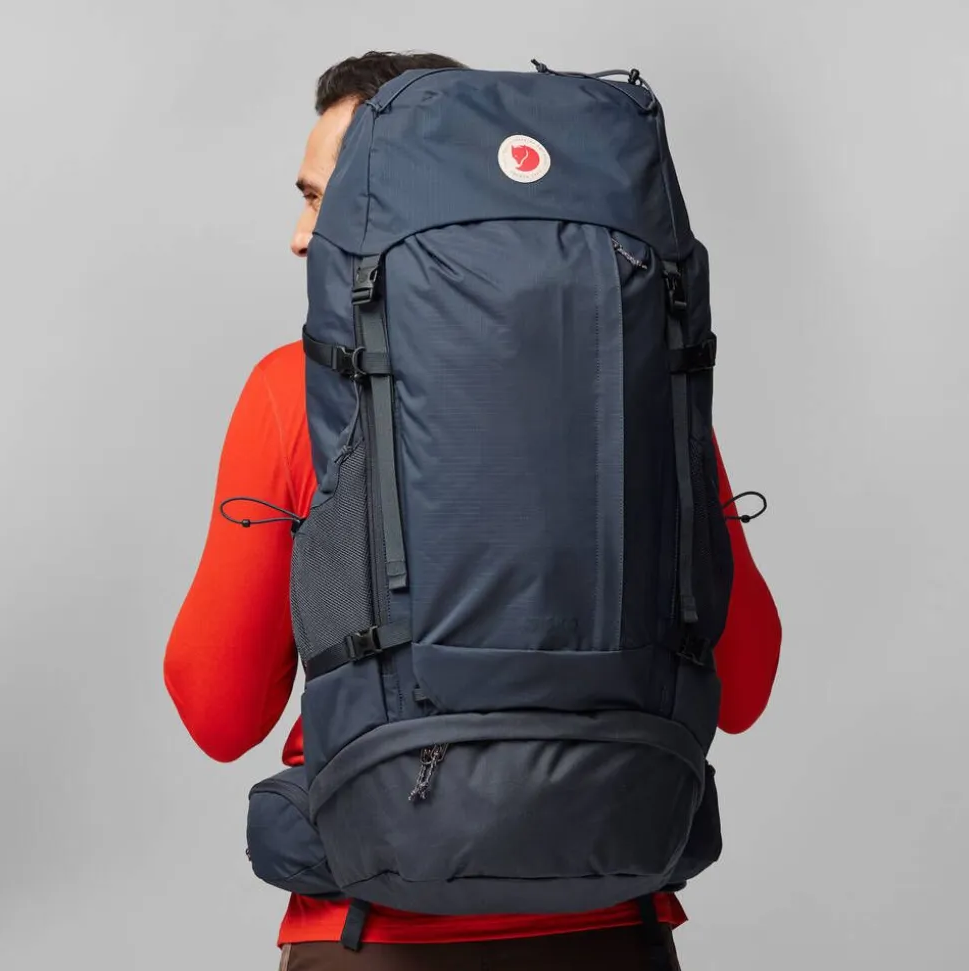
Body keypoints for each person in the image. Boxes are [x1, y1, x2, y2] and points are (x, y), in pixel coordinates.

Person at [163, 50, 783, 971]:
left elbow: (217, 709)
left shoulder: (291, 393)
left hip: (371, 935)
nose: (301, 237)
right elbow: (749, 681)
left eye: (325, 201)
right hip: (613, 924)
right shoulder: (641, 383)